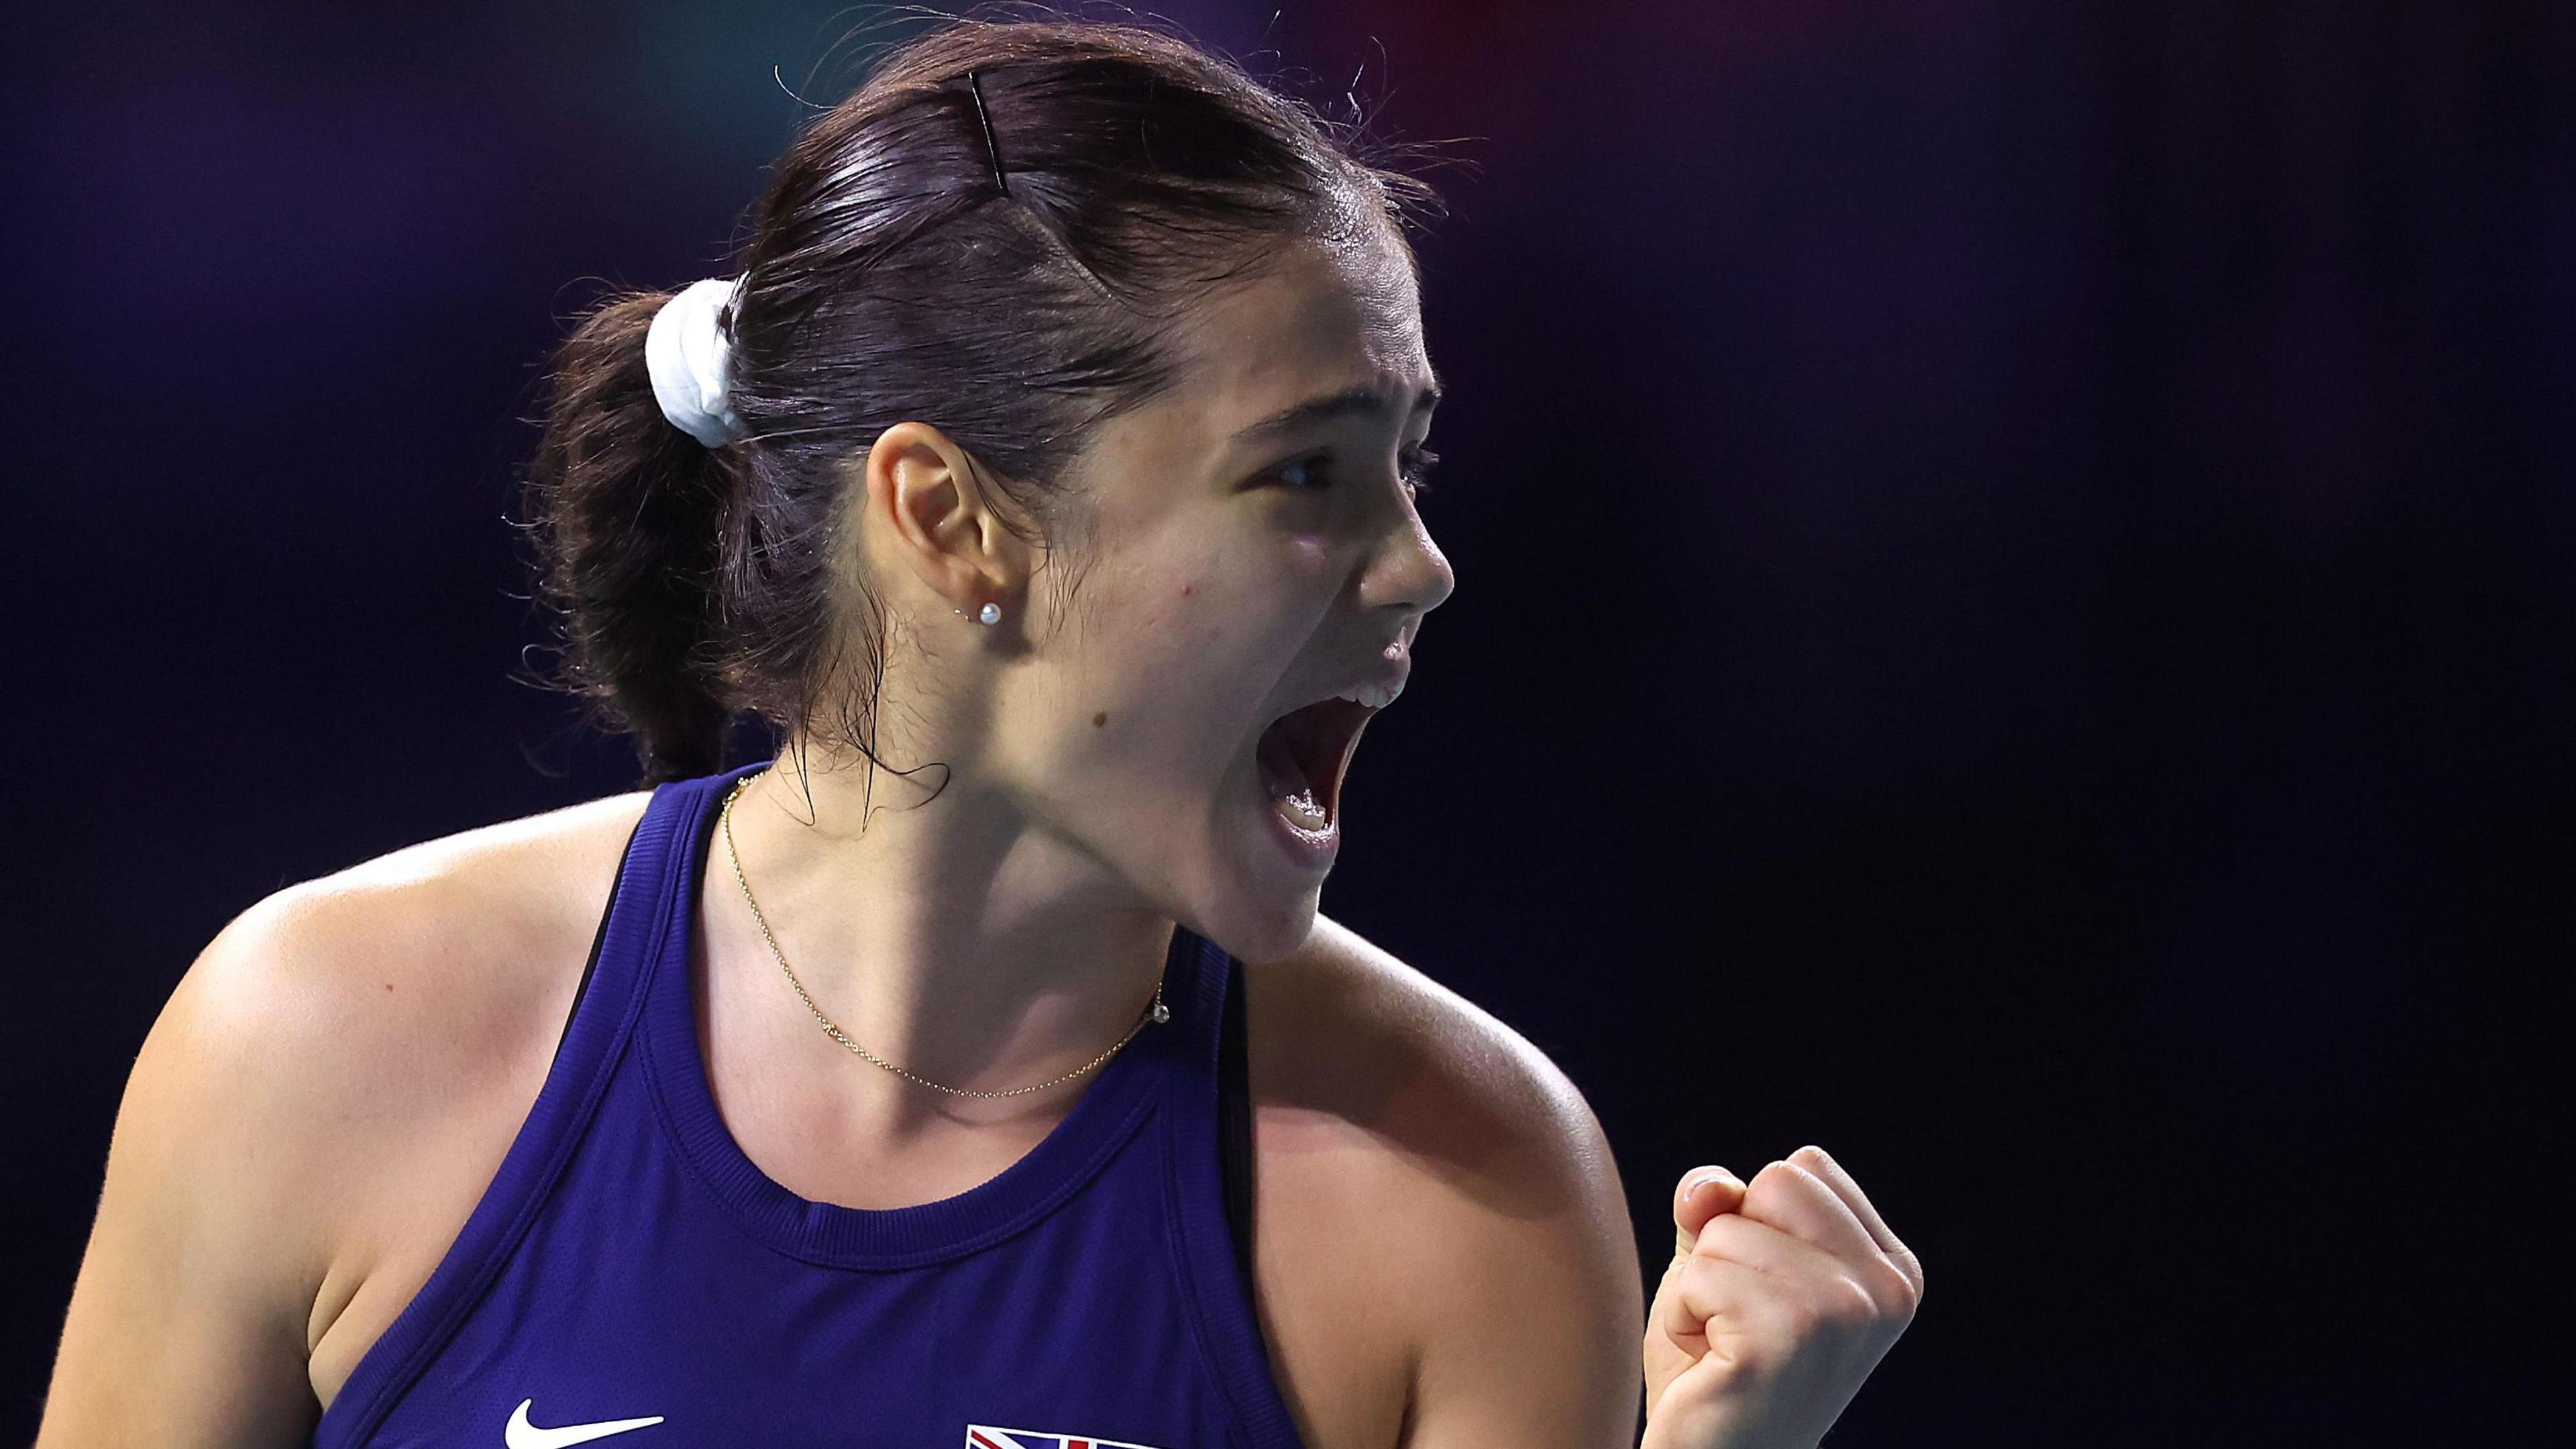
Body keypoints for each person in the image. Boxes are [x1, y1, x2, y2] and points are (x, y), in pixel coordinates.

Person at [36, 15, 1919, 1449]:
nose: (1419, 568)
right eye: (1305, 480)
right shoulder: (312, 1044)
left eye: (1409, 464)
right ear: (952, 521)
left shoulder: (1471, 1195)